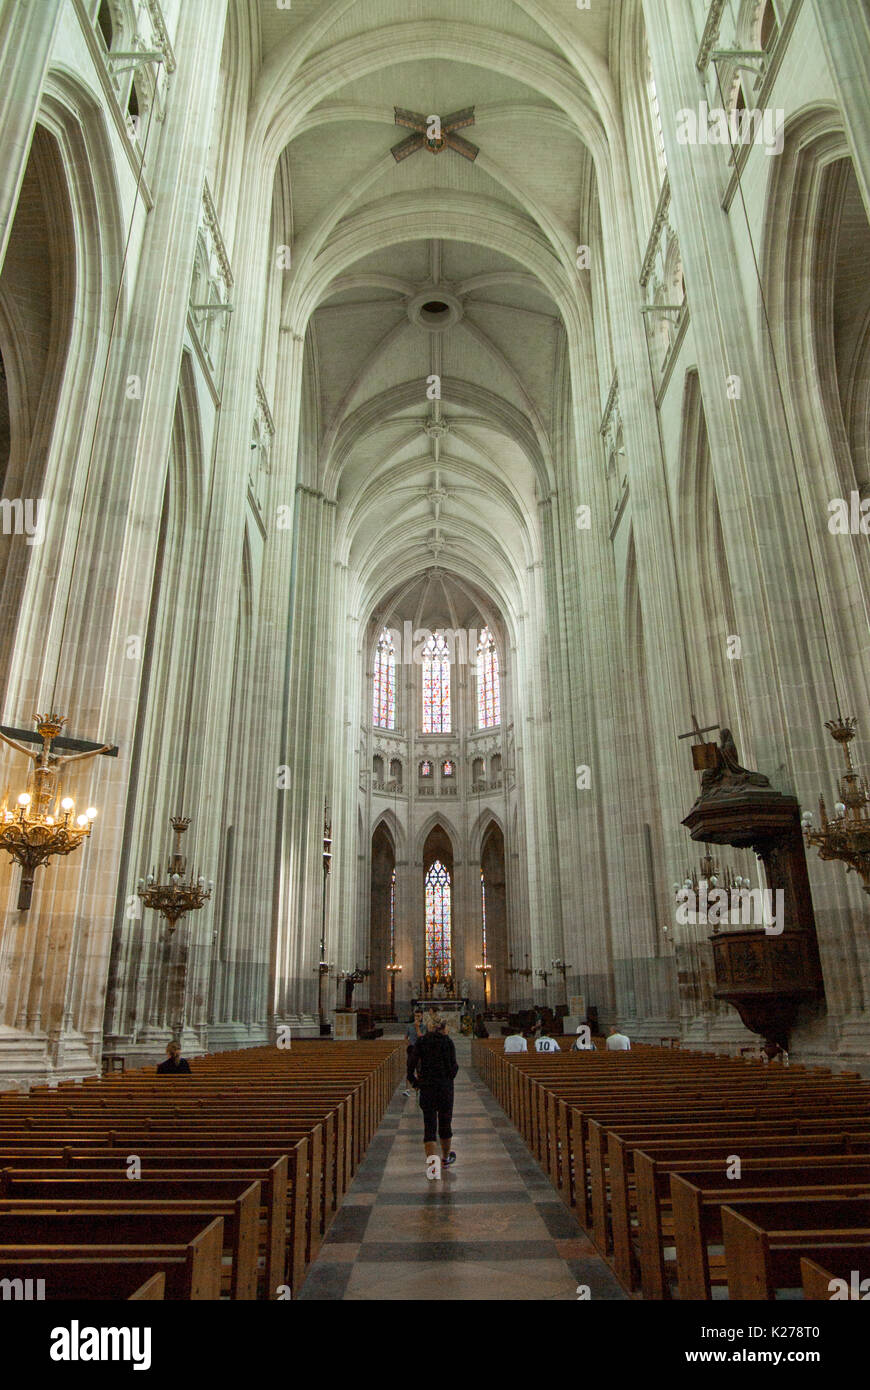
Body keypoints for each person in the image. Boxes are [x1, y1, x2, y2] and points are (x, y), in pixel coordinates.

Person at [409, 1015, 459, 1179]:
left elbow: (411, 1064)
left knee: (429, 1125)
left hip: (427, 1087)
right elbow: (454, 1066)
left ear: (429, 1027)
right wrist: (448, 1078)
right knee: (445, 1123)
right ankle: (445, 1159)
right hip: (444, 1088)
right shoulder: (447, 1042)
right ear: (443, 1027)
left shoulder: (421, 1042)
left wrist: (415, 1082)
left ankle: (432, 1166)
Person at [403, 1009, 423, 1096]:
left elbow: (422, 1038)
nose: (417, 1018)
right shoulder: (409, 1026)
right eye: (415, 1016)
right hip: (411, 1049)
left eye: (418, 1016)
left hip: (420, 1050)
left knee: (419, 1069)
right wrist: (407, 1043)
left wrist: (417, 1027)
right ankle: (407, 1089)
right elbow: (406, 1037)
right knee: (409, 1069)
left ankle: (419, 1088)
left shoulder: (424, 1026)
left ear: (422, 1016)